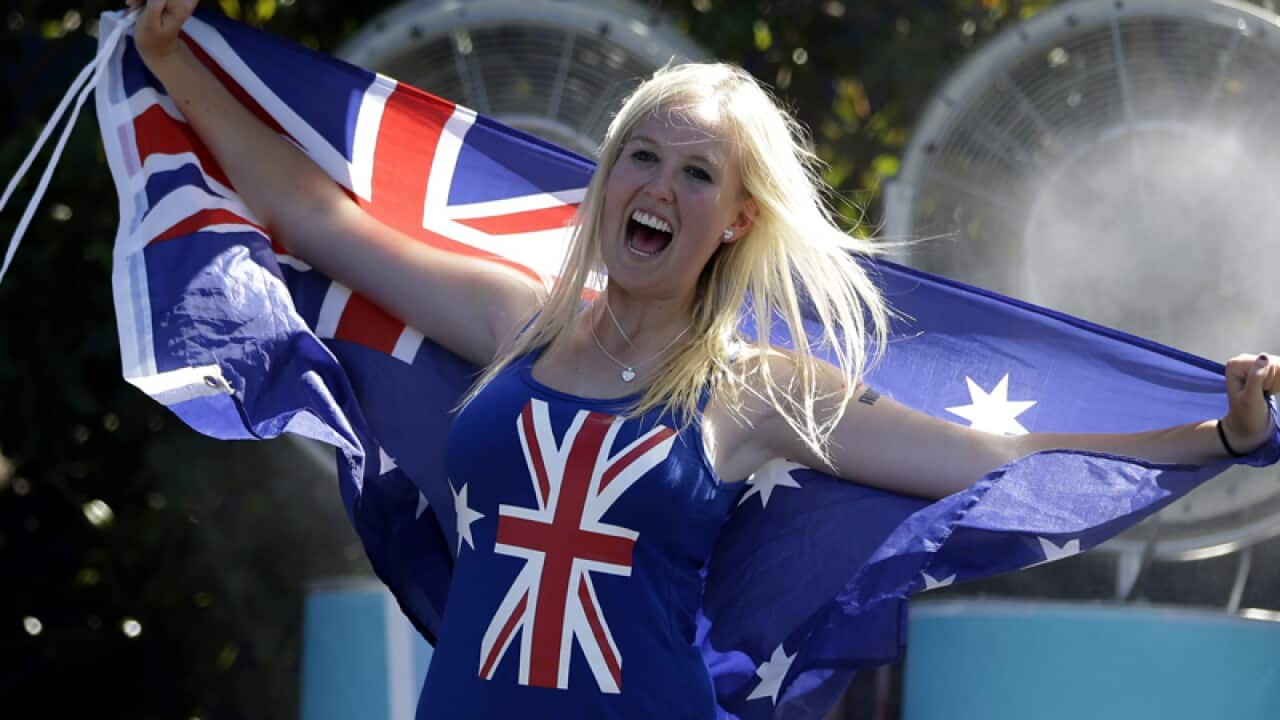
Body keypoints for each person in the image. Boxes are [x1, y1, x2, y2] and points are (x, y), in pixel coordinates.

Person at [128, 0, 1279, 716]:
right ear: (606, 177)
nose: (658, 187)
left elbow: (997, 458)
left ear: (733, 218)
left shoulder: (757, 388)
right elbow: (315, 220)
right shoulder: (513, 322)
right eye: (641, 155)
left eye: (695, 175)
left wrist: (1213, 437)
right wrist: (174, 65)